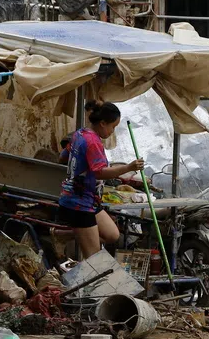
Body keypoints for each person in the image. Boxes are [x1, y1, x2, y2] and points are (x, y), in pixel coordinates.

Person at [58, 101, 144, 259]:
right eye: (113, 126)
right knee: (93, 257)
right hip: (79, 203)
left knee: (112, 235)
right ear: (103, 123)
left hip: (88, 200)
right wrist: (128, 167)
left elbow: (63, 156)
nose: (113, 131)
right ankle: (87, 278)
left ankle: (66, 234)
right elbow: (100, 173)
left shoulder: (79, 134)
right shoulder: (92, 142)